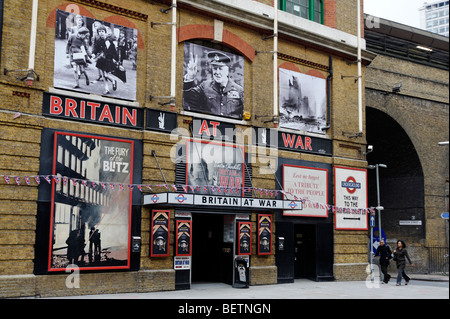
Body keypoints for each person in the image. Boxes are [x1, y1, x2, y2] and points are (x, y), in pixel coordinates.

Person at [183, 50, 244, 119]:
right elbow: (188, 98)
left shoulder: (239, 90)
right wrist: (190, 78)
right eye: (215, 68)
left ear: (227, 70)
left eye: (220, 69)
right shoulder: (205, 86)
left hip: (230, 129)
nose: (217, 72)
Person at [92, 24, 119, 95]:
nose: (101, 32)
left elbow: (114, 51)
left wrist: (116, 60)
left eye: (102, 31)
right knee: (104, 75)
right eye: (99, 31)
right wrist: (93, 54)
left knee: (106, 75)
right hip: (101, 60)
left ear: (105, 32)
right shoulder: (98, 40)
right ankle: (106, 89)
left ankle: (113, 81)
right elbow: (96, 48)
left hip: (108, 60)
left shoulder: (109, 40)